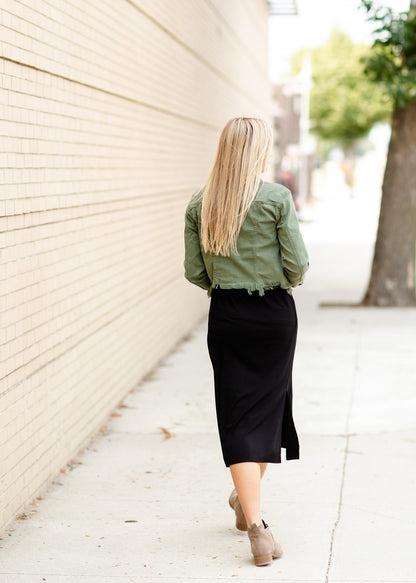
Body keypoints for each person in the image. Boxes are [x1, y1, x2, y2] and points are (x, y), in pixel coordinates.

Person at [183, 116, 309, 567]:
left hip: (228, 316)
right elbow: (297, 263)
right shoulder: (277, 197)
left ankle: (245, 504)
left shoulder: (201, 203)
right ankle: (257, 526)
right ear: (258, 152)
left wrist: (227, 283)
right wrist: (277, 280)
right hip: (274, 316)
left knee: (238, 414)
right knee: (268, 410)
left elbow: (195, 272)